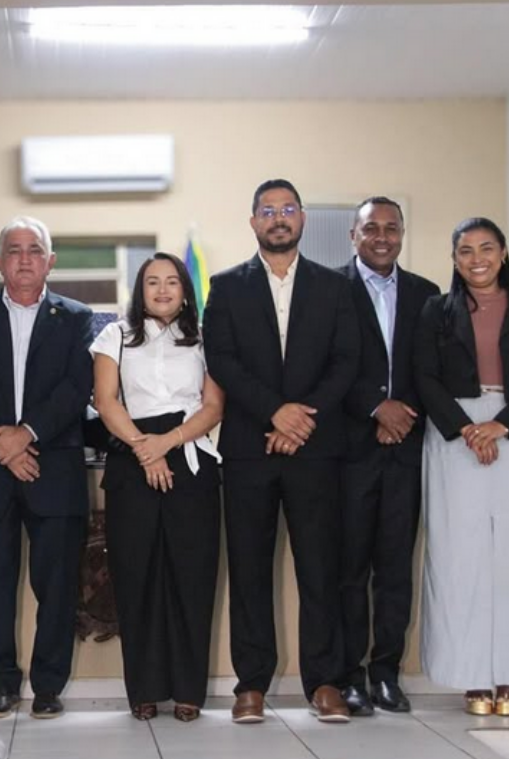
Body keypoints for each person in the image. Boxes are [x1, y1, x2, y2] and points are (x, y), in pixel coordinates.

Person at [203, 178, 358, 724]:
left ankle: (325, 683)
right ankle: (251, 685)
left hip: (316, 448)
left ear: (302, 219)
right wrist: (275, 412)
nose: (278, 218)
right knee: (249, 569)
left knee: (320, 568)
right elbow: (222, 359)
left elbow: (346, 360)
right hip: (250, 448)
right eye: (267, 211)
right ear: (253, 222)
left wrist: (300, 419)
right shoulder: (226, 286)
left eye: (287, 209)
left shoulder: (334, 287)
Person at [0, 216, 93, 720]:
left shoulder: (76, 317)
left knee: (57, 587)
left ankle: (49, 687)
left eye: (35, 250)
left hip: (54, 469)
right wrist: (5, 446)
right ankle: (2, 685)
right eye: (14, 250)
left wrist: (26, 433)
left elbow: (77, 387)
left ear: (50, 261)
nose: (25, 259)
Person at [414, 217, 509, 717]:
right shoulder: (435, 310)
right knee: (459, 556)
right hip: (453, 433)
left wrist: (502, 425)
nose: (477, 259)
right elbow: (423, 376)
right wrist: (465, 428)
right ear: (454, 259)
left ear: (503, 252)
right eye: (466, 251)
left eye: (486, 248)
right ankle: (472, 675)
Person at [90, 252, 224, 722]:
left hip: (190, 456)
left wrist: (166, 443)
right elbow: (106, 401)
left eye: (171, 281)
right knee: (136, 577)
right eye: (152, 282)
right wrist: (145, 449)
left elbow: (213, 406)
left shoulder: (205, 338)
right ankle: (143, 690)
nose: (162, 290)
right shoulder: (115, 336)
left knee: (192, 576)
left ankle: (188, 691)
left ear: (185, 290)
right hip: (131, 457)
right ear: (140, 290)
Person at [336, 197, 440, 716]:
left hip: (406, 449)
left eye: (391, 228)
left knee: (396, 569)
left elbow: (433, 369)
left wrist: (403, 414)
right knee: (349, 570)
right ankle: (350, 676)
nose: (382, 237)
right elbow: (325, 364)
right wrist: (376, 407)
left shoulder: (427, 293)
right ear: (353, 236)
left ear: (402, 234)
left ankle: (386, 674)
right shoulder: (330, 289)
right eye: (371, 228)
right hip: (349, 452)